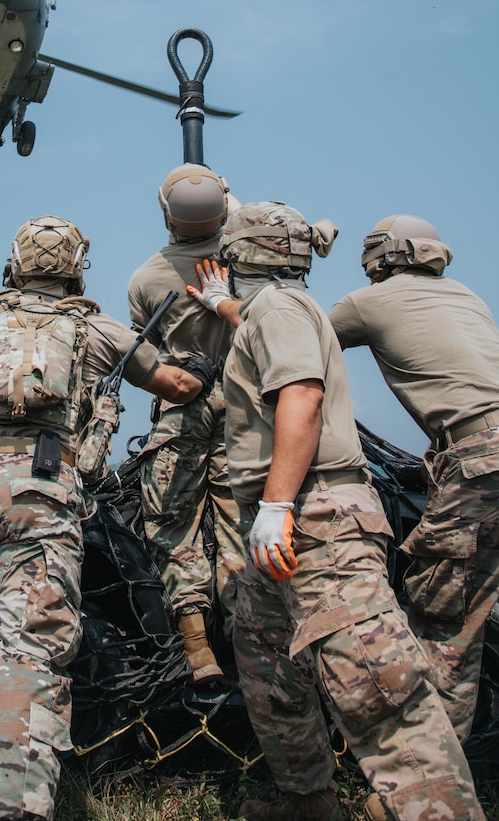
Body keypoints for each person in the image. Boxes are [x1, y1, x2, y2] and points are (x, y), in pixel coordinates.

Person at [188, 202, 485, 821]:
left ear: (242, 256)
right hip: (290, 525)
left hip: (314, 517)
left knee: (378, 688)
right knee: (266, 659)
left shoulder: (281, 308)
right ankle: (310, 804)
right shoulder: (278, 309)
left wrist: (275, 506)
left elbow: (301, 391)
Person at [0, 216, 209, 821]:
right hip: (41, 496)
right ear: (77, 267)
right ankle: (11, 809)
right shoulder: (97, 329)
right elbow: (177, 385)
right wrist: (199, 362)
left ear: (15, 262)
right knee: (30, 652)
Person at [328, 213, 499, 745]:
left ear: (380, 256)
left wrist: (224, 300)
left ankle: (433, 772)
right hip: (479, 451)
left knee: (445, 614)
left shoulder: (370, 302)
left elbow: (294, 336)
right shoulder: (465, 295)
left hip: (480, 458)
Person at [127, 163, 246, 680]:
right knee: (241, 525)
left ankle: (198, 652)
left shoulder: (147, 278)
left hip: (181, 409)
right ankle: (247, 641)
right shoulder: (245, 263)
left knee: (174, 527)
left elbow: (142, 355)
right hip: (244, 410)